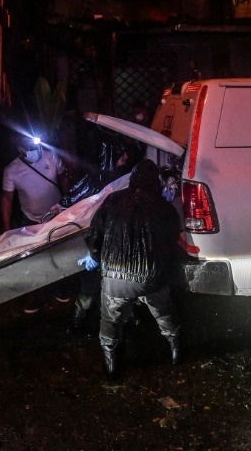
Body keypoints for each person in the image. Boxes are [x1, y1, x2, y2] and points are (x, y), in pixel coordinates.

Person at [81, 159, 182, 380]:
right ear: (156, 182)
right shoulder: (165, 208)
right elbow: (173, 240)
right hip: (152, 276)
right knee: (164, 310)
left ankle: (111, 362)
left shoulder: (113, 200)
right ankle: (175, 348)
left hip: (115, 277)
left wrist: (94, 257)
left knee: (110, 318)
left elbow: (94, 235)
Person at [1, 132, 67, 230]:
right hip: (31, 221)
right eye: (28, 148)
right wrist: (6, 228)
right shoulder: (11, 170)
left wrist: (69, 204)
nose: (33, 150)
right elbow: (7, 199)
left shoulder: (51, 156)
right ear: (20, 149)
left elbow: (64, 179)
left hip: (58, 215)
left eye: (34, 146)